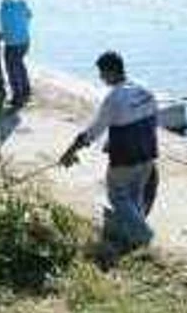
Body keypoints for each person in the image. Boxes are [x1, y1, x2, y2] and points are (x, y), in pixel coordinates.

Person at [59, 51, 159, 252]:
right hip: (148, 155)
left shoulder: (114, 98)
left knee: (117, 196)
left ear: (111, 71)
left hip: (125, 160)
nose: (100, 78)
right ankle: (130, 234)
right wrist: (112, 140)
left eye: (102, 73)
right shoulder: (145, 91)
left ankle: (144, 235)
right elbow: (145, 123)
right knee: (135, 195)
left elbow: (93, 131)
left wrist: (70, 151)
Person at [0, 0, 32, 109]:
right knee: (20, 65)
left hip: (13, 44)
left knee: (12, 69)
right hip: (25, 41)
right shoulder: (21, 1)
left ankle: (18, 97)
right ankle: (26, 91)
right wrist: (22, 27)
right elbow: (29, 15)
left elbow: (6, 28)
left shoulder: (4, 7)